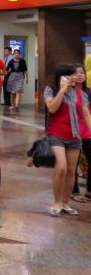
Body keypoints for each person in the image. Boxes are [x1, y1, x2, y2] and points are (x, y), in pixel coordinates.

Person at [43, 63, 91, 216]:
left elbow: (86, 114)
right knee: (62, 166)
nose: (74, 77)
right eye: (71, 74)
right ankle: (56, 202)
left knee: (71, 170)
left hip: (74, 135)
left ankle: (65, 203)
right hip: (56, 133)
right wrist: (62, 90)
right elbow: (52, 108)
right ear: (62, 76)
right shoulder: (51, 89)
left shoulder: (80, 94)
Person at [71, 66, 91, 204]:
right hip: (72, 132)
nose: (80, 75)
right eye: (76, 73)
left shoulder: (89, 92)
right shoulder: (67, 92)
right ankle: (74, 191)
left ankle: (89, 190)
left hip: (88, 131)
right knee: (73, 163)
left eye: (82, 72)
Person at [5, 49, 28, 113]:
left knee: (18, 91)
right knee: (12, 93)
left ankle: (17, 105)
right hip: (12, 76)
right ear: (13, 54)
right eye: (15, 53)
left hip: (20, 76)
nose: (16, 54)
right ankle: (13, 105)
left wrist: (26, 78)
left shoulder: (23, 61)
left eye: (17, 53)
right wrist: (3, 76)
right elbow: (6, 70)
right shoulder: (11, 61)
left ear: (19, 54)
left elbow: (25, 70)